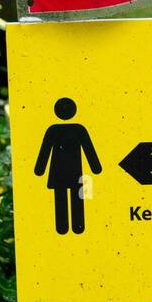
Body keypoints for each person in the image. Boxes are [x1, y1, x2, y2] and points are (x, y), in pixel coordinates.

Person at [35, 97, 102, 235]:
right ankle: (77, 226)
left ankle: (62, 227)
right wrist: (96, 168)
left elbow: (44, 151)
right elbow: (89, 150)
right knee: (77, 197)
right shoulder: (79, 129)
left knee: (61, 198)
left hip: (58, 171)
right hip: (75, 171)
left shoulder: (53, 130)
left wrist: (40, 169)